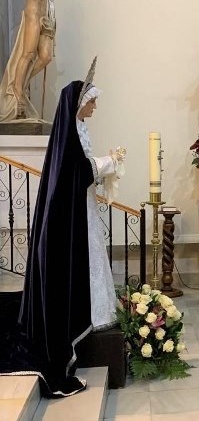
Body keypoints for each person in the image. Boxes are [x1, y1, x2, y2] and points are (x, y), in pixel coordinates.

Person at [0, 74, 125, 397]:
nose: (96, 106)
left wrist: (104, 168)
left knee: (93, 260)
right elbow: (77, 171)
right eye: (92, 101)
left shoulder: (77, 130)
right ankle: (87, 319)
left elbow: (79, 173)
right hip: (71, 219)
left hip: (81, 213)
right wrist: (109, 163)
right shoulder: (68, 134)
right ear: (79, 104)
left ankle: (98, 313)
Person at [0, 0, 55, 121]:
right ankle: (17, 92)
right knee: (28, 54)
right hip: (33, 16)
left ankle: (22, 81)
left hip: (46, 18)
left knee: (46, 56)